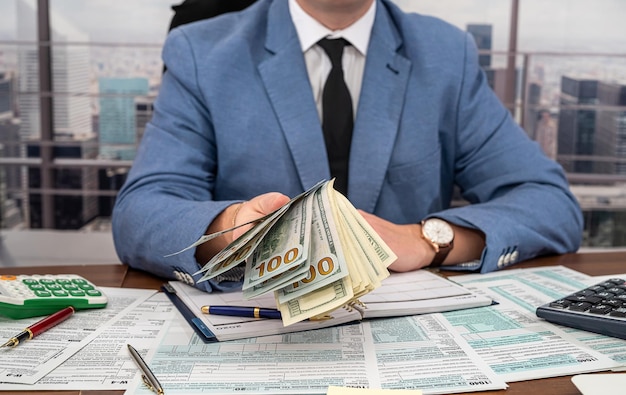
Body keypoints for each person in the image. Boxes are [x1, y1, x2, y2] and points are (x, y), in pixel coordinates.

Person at [112, 0, 583, 292]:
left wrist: (428, 239)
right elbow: (141, 213)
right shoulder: (201, 51)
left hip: (409, 333)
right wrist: (230, 229)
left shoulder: (445, 53)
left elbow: (549, 203)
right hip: (259, 326)